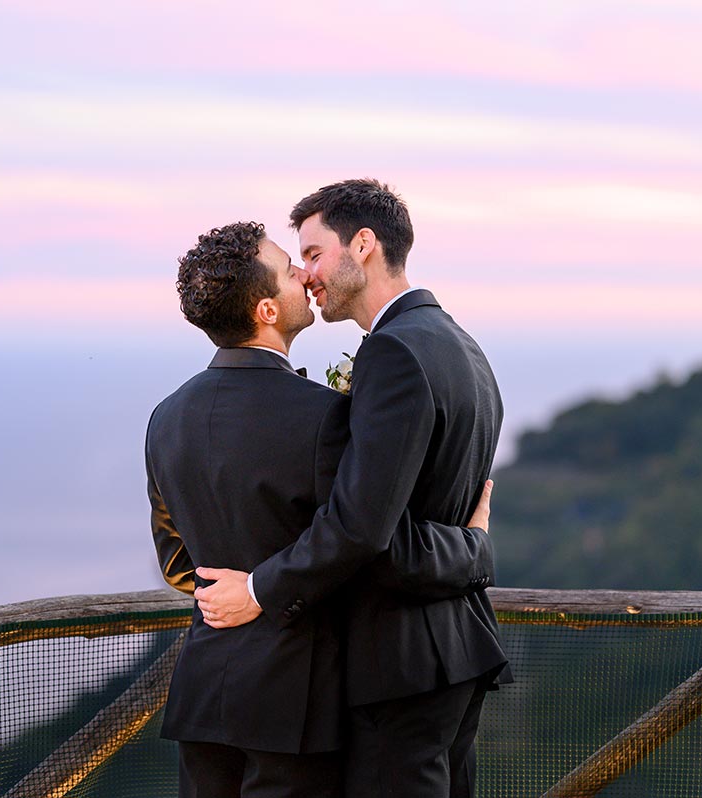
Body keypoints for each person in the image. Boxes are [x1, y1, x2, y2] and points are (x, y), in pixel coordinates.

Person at [146, 220, 496, 797]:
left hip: (205, 688)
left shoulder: (166, 417)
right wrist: (472, 546)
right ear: (266, 310)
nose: (304, 278)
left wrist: (232, 595)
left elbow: (178, 562)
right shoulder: (324, 416)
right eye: (290, 270)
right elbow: (362, 539)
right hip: (296, 696)